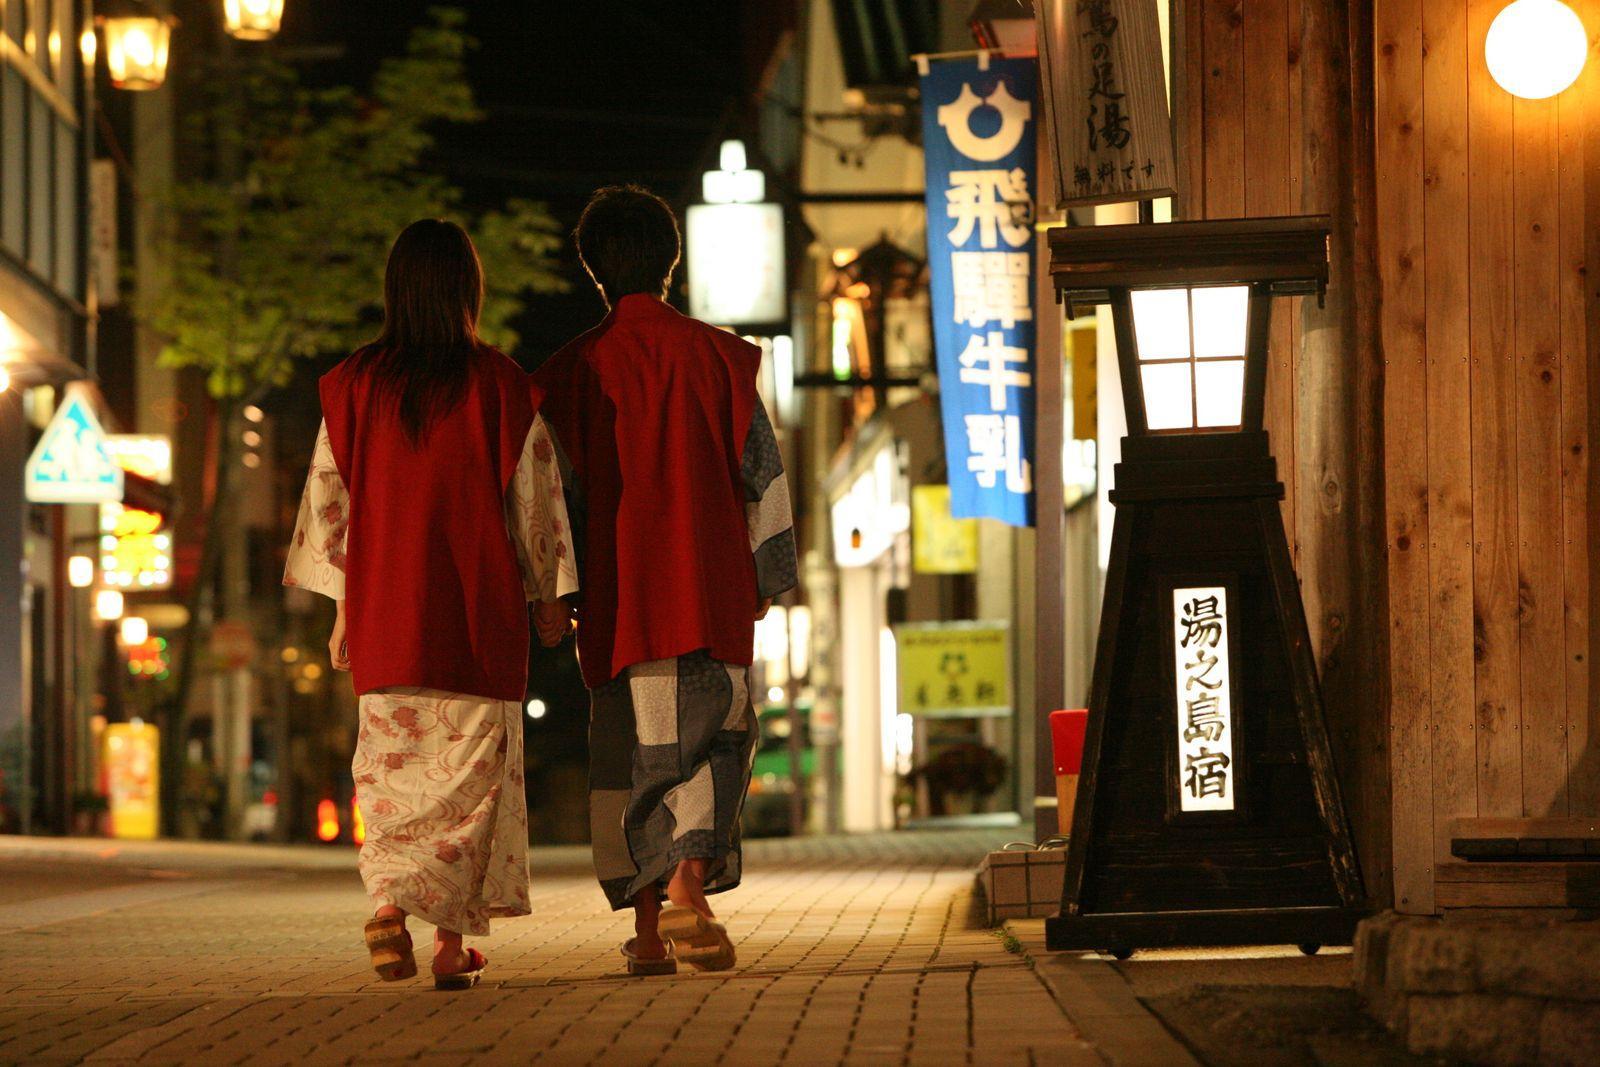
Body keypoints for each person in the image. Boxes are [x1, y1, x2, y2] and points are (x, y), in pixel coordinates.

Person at [284, 218, 577, 991]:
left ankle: (388, 904)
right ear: (467, 291)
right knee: (467, 796)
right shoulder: (502, 386)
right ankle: (449, 948)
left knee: (390, 780)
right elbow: (535, 503)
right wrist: (550, 599)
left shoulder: (352, 387)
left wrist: (347, 609)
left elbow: (329, 506)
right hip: (475, 624)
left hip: (387, 622)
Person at [534, 186, 797, 977]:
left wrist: (555, 595)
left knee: (632, 763)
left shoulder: (570, 373)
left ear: (594, 272)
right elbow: (766, 479)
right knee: (715, 745)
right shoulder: (724, 357)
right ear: (672, 262)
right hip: (709, 592)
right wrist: (763, 573)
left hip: (618, 608)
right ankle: (689, 884)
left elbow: (552, 499)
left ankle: (650, 934)